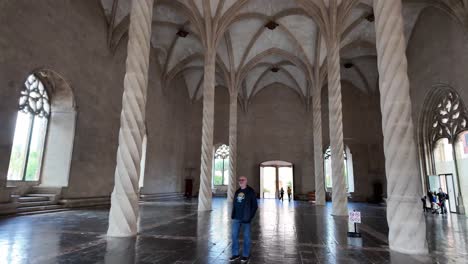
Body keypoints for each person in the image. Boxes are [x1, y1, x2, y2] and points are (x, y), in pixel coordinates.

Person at [230, 176, 258, 263]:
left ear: (246, 181)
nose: (241, 181)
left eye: (243, 180)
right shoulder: (237, 191)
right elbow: (235, 203)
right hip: (236, 217)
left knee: (246, 237)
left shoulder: (250, 191)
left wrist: (250, 216)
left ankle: (245, 255)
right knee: (234, 235)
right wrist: (233, 214)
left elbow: (255, 206)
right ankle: (235, 253)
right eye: (239, 180)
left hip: (246, 218)